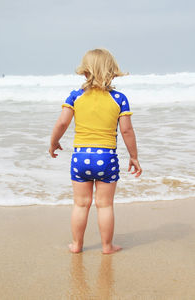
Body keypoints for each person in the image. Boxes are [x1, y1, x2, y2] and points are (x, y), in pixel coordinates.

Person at [49, 48, 142, 254]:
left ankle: (76, 245)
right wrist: (134, 157)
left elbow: (62, 123)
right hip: (107, 158)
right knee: (105, 205)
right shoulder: (119, 98)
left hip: (80, 157)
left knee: (81, 204)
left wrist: (54, 142)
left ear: (84, 72)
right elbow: (126, 130)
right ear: (112, 72)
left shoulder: (75, 96)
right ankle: (107, 246)